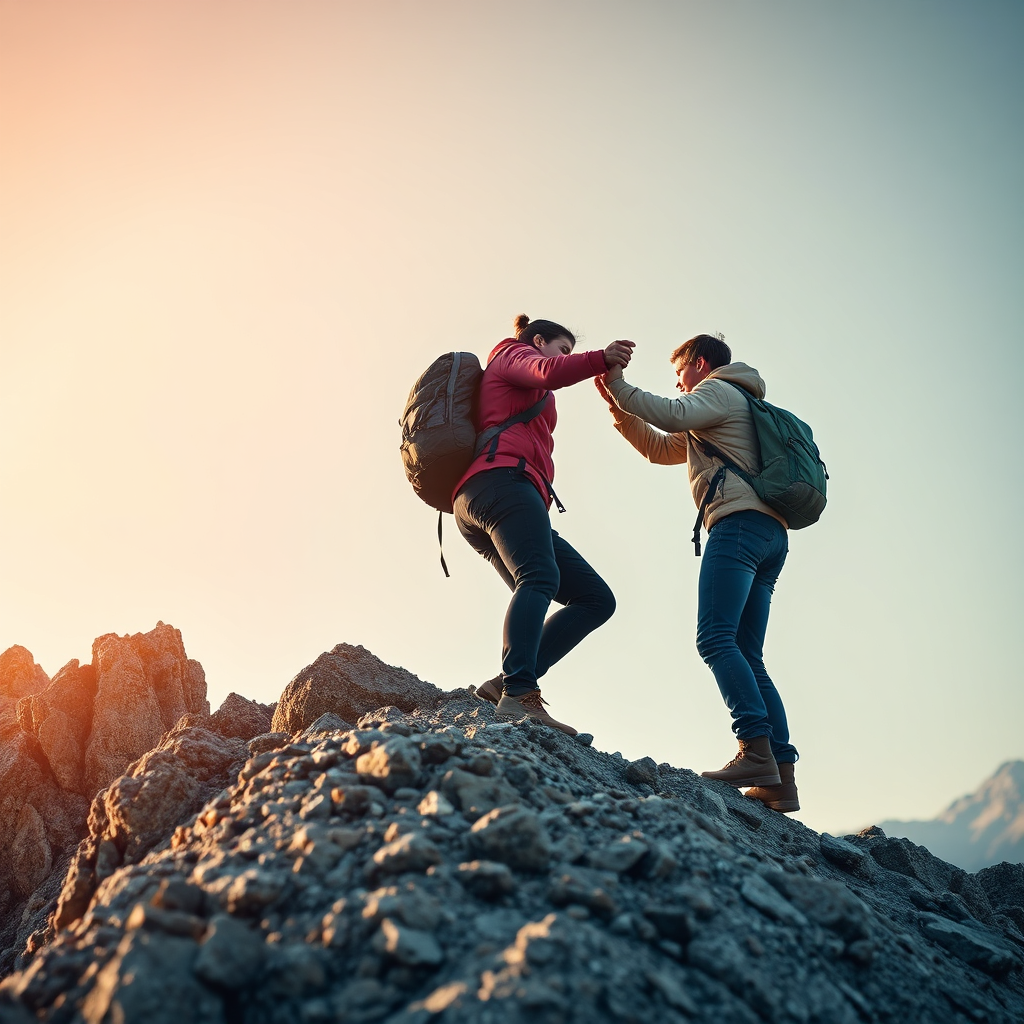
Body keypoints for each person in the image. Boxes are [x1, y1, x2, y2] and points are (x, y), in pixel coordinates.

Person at [596, 333, 799, 812]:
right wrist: (618, 405)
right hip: (771, 535)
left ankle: (754, 750)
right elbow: (661, 447)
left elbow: (669, 413)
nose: (679, 383)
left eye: (679, 373)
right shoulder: (731, 408)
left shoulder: (719, 390)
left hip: (738, 528)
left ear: (699, 364)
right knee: (748, 653)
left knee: (714, 638)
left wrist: (620, 382)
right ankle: (780, 778)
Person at [453, 314, 634, 736]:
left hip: (501, 495)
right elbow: (547, 372)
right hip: (501, 484)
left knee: (595, 598)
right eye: (562, 348)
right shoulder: (512, 354)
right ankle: (519, 693)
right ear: (538, 340)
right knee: (538, 576)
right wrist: (597, 358)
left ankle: (504, 685)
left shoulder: (521, 379)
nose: (564, 357)